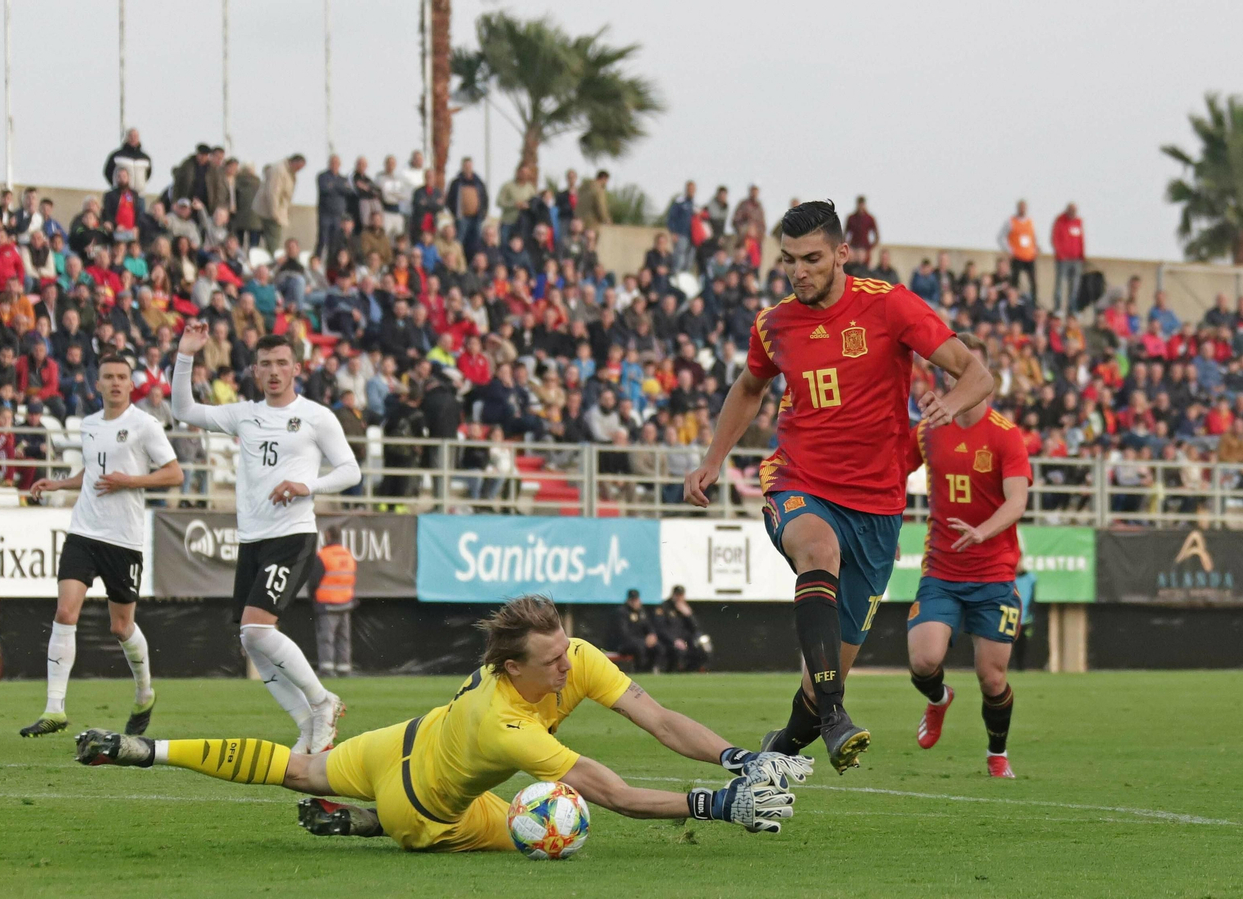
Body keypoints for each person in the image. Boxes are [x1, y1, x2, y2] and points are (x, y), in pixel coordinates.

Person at [74, 595, 804, 852]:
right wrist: (717, 805)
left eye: (564, 651)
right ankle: (370, 826)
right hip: (422, 810)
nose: (566, 667)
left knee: (298, 766)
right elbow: (604, 787)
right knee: (539, 823)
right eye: (550, 661)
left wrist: (737, 758)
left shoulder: (570, 655)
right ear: (512, 668)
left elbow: (656, 715)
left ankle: (145, 748)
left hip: (399, 741)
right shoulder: (506, 724)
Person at [684, 200, 992, 773]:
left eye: (811, 258)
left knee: (813, 687)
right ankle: (836, 715)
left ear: (842, 254)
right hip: (797, 479)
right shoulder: (773, 323)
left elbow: (977, 371)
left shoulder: (888, 305)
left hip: (877, 507)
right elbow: (749, 388)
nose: (798, 271)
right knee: (817, 549)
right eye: (789, 260)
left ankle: (773, 760)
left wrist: (947, 407)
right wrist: (713, 458)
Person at [172, 323, 359, 753]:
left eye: (281, 363)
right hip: (252, 539)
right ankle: (306, 723)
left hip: (292, 536)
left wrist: (306, 485)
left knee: (256, 628)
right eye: (265, 364)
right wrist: (185, 355)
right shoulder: (244, 414)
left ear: (297, 367)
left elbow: (352, 471)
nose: (274, 371)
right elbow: (183, 409)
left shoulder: (316, 416)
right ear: (255, 371)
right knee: (249, 638)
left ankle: (322, 701)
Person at [21, 354, 183, 737]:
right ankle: (54, 709)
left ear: (131, 384)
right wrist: (59, 484)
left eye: (121, 377)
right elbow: (92, 472)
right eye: (108, 376)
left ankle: (145, 692)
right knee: (65, 610)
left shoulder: (145, 425)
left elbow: (174, 473)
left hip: (123, 539)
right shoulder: (89, 425)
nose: (114, 382)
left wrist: (130, 481)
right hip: (84, 531)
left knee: (120, 626)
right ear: (98, 384)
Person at [900, 333, 1030, 779]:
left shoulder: (1006, 436)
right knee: (923, 660)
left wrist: (982, 531)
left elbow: (1017, 501)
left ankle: (997, 755)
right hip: (942, 570)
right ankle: (938, 699)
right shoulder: (928, 431)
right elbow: (891, 476)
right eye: (950, 370)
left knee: (993, 679)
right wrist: (883, 525)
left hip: (993, 574)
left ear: (985, 377)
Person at [311, 525, 357, 678]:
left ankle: (327, 669)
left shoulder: (323, 555)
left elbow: (313, 581)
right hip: (345, 603)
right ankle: (344, 668)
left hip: (327, 604)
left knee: (326, 639)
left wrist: (313, 598)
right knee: (344, 639)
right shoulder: (347, 554)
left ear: (328, 536)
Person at [255, 154, 305, 254]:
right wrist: (275, 213)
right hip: (271, 213)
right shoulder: (279, 170)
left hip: (278, 211)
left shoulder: (289, 172)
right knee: (273, 243)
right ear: (294, 162)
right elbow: (273, 193)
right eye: (299, 167)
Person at [659, 585, 710, 672]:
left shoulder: (685, 608)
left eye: (681, 595)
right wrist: (674, 640)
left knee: (703, 649)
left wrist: (689, 615)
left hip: (686, 641)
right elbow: (661, 628)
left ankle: (692, 671)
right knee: (678, 651)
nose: (679, 598)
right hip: (671, 641)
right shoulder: (665, 607)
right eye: (677, 595)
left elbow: (696, 628)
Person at [613, 588, 664, 673]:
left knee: (659, 647)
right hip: (626, 644)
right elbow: (624, 634)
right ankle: (640, 671)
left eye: (636, 600)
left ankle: (654, 669)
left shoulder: (641, 612)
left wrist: (652, 635)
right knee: (640, 648)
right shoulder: (622, 612)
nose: (635, 602)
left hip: (642, 641)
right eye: (632, 600)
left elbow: (649, 626)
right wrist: (644, 641)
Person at [998, 200, 1039, 300]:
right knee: (1015, 281)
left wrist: (1036, 248)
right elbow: (1001, 237)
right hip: (1017, 256)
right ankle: (1014, 298)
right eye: (1021, 207)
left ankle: (1033, 300)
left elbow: (1034, 236)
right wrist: (1010, 250)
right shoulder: (1011, 221)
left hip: (1029, 256)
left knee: (1032, 281)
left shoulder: (1030, 221)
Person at [1050, 203, 1084, 313]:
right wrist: (1060, 253)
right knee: (1060, 284)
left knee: (1074, 285)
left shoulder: (1078, 222)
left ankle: (1072, 308)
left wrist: (1081, 254)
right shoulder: (1060, 221)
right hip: (1063, 259)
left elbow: (1081, 239)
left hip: (1076, 259)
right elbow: (1055, 238)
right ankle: (1058, 307)